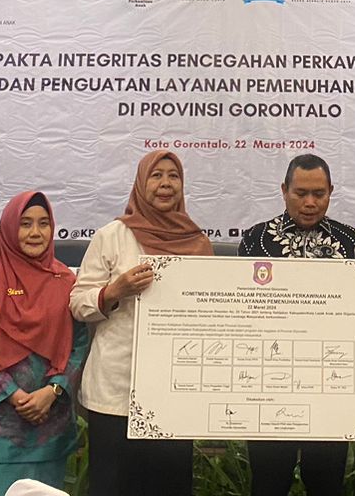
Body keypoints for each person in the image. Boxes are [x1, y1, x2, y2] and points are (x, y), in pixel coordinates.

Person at [70, 149, 213, 496]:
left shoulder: (197, 242)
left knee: (169, 485)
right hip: (116, 388)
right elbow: (77, 303)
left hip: (175, 387)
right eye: (156, 175)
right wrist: (114, 291)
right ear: (140, 183)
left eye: (173, 176)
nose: (165, 183)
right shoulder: (112, 236)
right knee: (113, 485)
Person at [239, 153, 355, 496]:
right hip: (268, 383)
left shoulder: (352, 242)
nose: (310, 202)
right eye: (300, 193)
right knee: (268, 482)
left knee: (326, 482)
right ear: (284, 190)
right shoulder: (255, 240)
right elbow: (241, 311)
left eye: (319, 194)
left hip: (331, 383)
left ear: (330, 191)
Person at [0, 190, 90, 496]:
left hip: (48, 431)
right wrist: (15, 396)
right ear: (9, 229)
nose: (35, 232)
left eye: (43, 223)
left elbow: (78, 344)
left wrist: (52, 391)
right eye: (25, 223)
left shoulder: (66, 282)